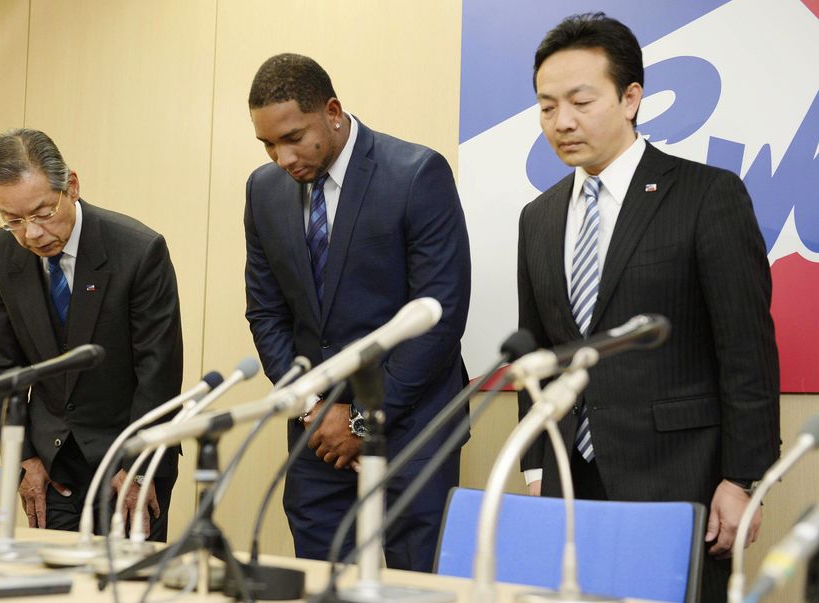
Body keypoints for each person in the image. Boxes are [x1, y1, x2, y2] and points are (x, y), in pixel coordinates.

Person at [517, 13, 779, 601]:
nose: (561, 122)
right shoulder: (538, 218)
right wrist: (537, 467)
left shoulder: (707, 195)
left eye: (581, 101)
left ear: (631, 97)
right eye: (546, 106)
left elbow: (747, 352)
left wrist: (744, 481)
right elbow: (537, 350)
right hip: (567, 483)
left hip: (678, 475)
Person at [244, 53, 471, 571]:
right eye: (267, 144)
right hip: (316, 438)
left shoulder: (415, 173)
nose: (282, 157)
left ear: (332, 110)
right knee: (321, 581)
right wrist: (313, 409)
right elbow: (267, 313)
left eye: (294, 137)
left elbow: (439, 317)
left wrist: (362, 422)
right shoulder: (262, 191)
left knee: (416, 586)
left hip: (411, 432)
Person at [0, 129, 183, 541]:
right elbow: (2, 363)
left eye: (42, 213)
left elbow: (157, 370)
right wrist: (24, 459)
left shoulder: (138, 251)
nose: (31, 234)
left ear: (70, 185)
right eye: (12, 220)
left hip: (127, 454)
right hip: (51, 462)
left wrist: (138, 465)